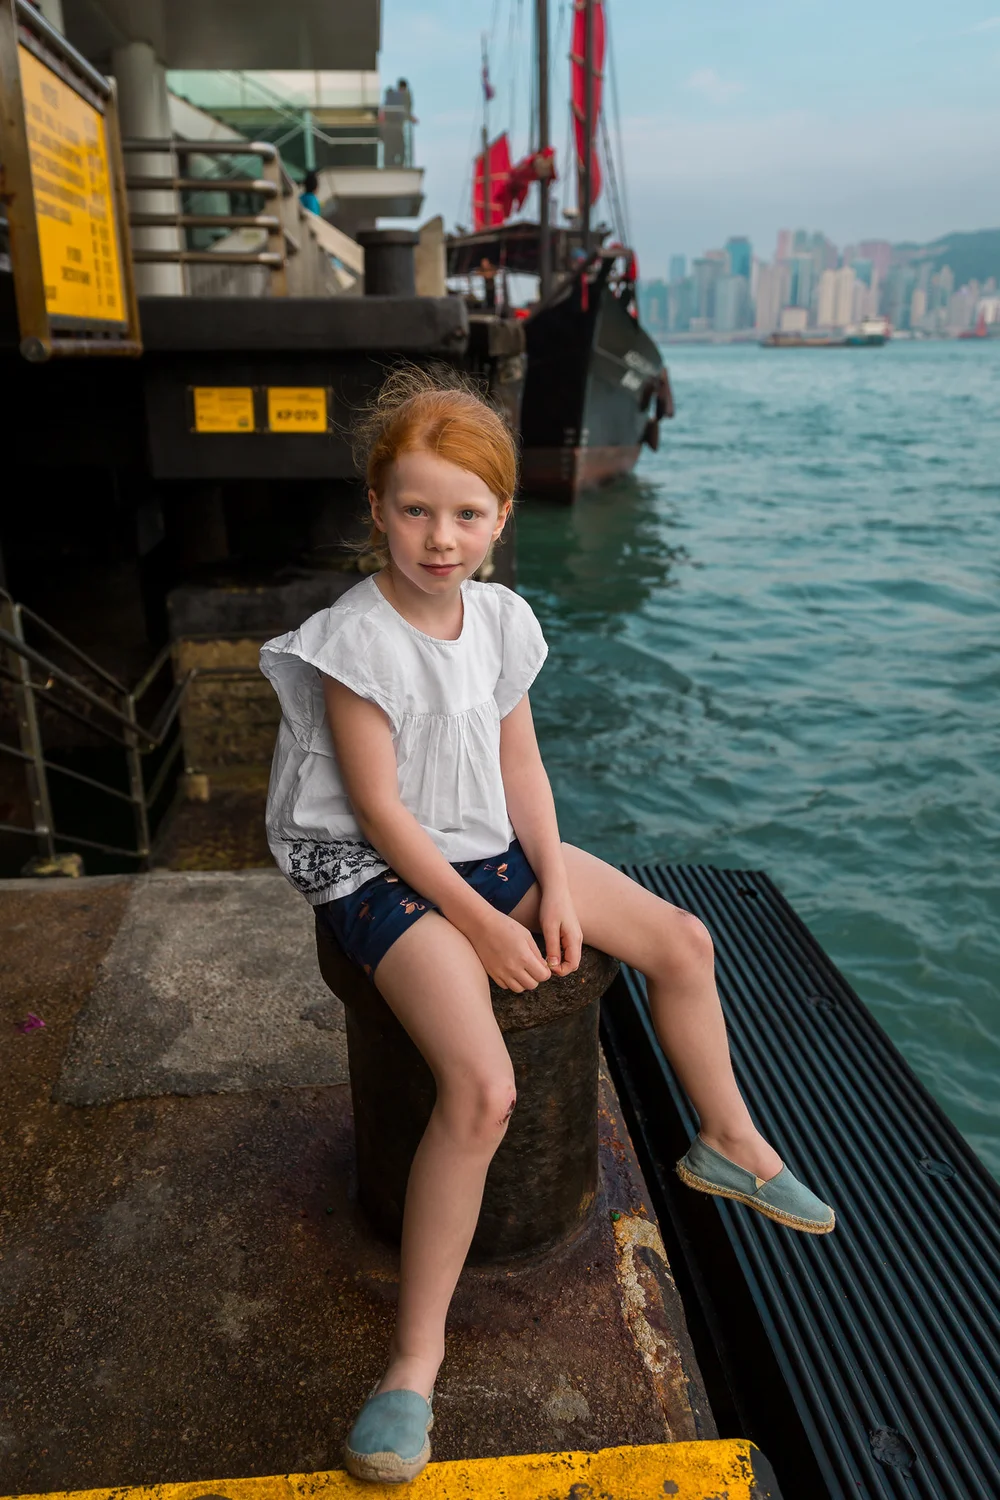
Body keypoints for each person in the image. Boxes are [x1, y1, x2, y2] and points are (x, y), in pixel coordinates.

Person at [260, 366, 834, 1485]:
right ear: (377, 507)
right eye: (416, 510)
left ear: (500, 519)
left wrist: (556, 885)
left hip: (480, 840)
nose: (440, 537)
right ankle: (412, 1365)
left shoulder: (504, 616)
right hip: (377, 864)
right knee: (483, 1089)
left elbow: (519, 760)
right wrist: (481, 923)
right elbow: (379, 811)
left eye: (466, 514)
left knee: (682, 940)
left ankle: (727, 1140)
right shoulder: (353, 640)